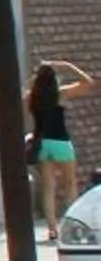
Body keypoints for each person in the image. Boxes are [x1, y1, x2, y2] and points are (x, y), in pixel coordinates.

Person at [29, 60, 94, 243]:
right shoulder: (60, 94)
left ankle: (52, 229)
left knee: (48, 187)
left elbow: (21, 96)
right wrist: (66, 66)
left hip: (43, 144)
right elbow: (88, 82)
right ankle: (73, 225)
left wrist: (36, 78)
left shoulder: (32, 97)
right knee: (70, 184)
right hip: (61, 142)